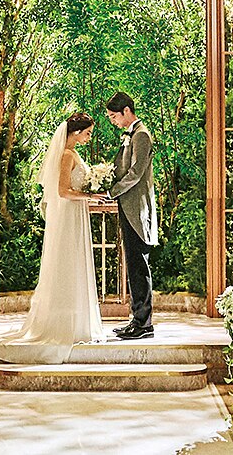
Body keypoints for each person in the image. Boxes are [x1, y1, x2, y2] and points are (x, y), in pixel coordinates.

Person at [0, 112, 106, 363]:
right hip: (69, 215)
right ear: (75, 133)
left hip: (75, 214)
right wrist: (90, 197)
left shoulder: (73, 153)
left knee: (74, 265)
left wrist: (91, 188)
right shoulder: (66, 155)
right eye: (88, 133)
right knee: (66, 265)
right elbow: (62, 191)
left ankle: (78, 323)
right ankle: (63, 325)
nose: (89, 137)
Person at [105, 92, 158, 340]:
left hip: (137, 208)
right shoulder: (132, 135)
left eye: (114, 116)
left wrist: (112, 191)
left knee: (139, 266)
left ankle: (144, 324)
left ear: (127, 111)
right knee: (134, 264)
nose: (113, 121)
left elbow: (136, 173)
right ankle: (137, 318)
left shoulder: (141, 135)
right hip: (128, 206)